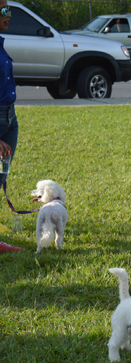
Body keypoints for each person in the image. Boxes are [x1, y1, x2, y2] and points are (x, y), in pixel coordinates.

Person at [0, 0, 23, 253]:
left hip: (9, 120)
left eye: (10, 10)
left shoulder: (1, 43)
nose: (9, 16)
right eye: (4, 11)